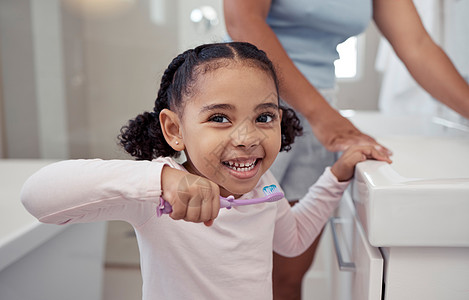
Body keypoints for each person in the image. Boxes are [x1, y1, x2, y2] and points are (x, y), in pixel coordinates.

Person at [21, 42, 391, 300]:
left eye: (264, 116)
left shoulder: (263, 184)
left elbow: (290, 241)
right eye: (219, 118)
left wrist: (337, 176)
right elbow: (38, 196)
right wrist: (160, 180)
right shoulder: (158, 194)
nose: (247, 137)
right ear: (175, 130)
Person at [223, 1, 469, 299]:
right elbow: (242, 21)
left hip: (317, 109)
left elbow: (417, 46)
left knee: (289, 275)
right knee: (233, 272)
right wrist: (321, 116)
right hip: (250, 109)